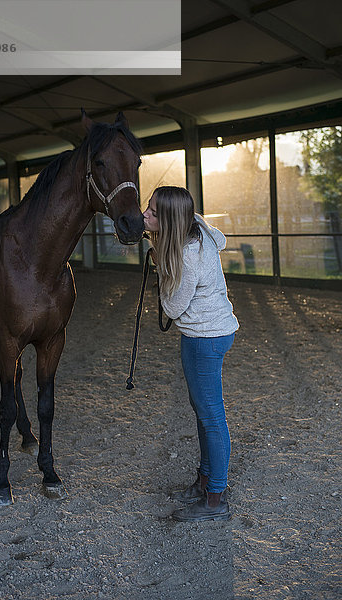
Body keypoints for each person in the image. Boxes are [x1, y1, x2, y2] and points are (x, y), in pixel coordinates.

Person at [143, 186, 239, 522]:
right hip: (210, 333)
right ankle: (204, 481)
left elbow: (172, 307)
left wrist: (160, 269)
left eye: (153, 212)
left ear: (169, 219)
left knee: (212, 416)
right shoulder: (197, 228)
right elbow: (222, 238)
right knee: (203, 411)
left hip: (204, 338)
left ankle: (216, 499)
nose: (145, 215)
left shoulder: (185, 254)